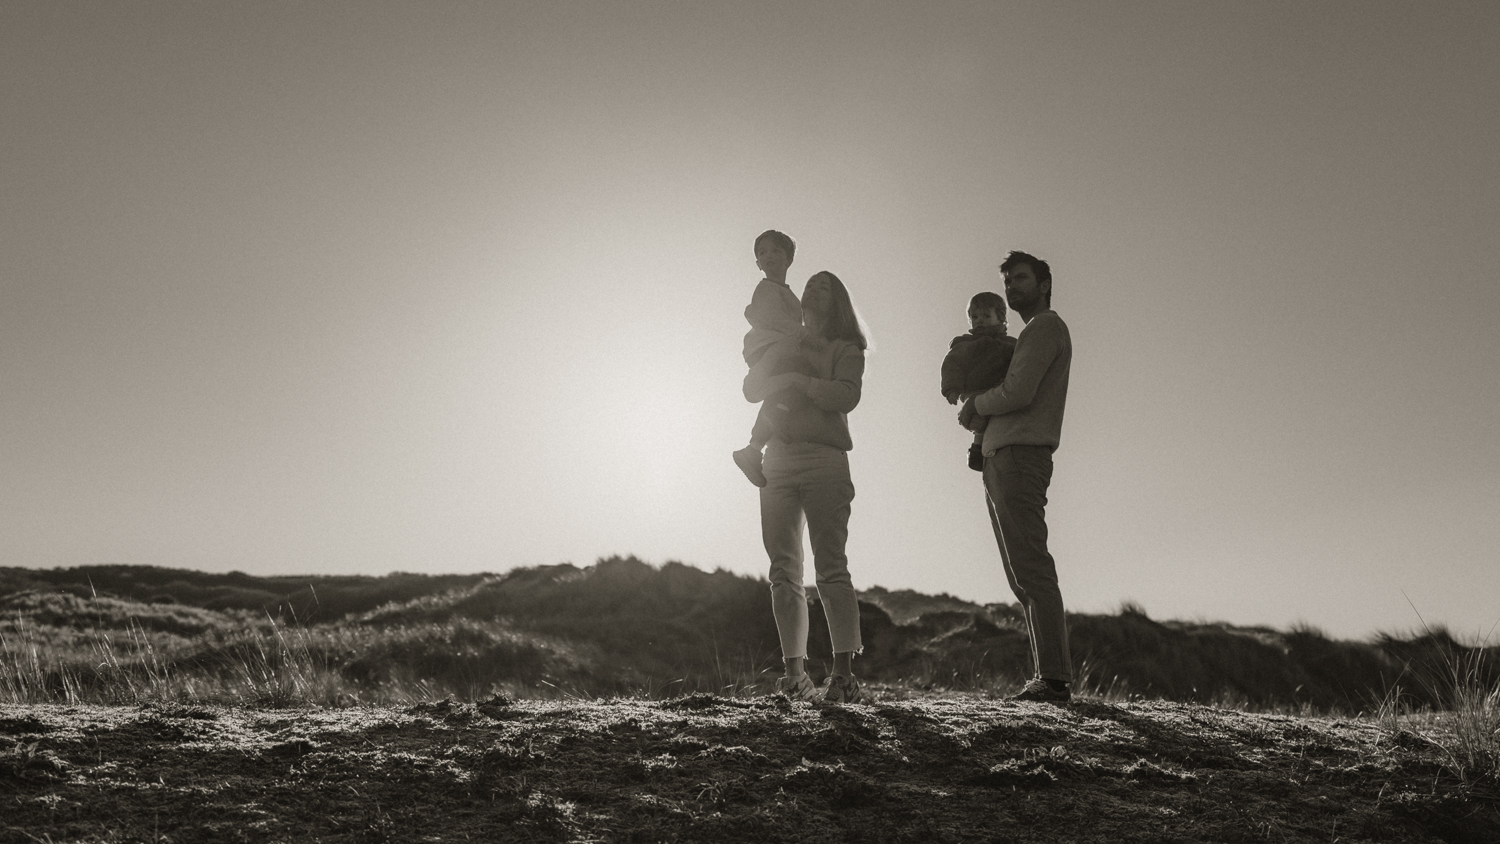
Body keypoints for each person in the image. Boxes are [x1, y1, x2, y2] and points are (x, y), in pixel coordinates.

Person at [744, 271, 868, 704]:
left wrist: (801, 383)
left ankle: (843, 676)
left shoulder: (846, 348)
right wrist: (776, 366)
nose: (813, 289)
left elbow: (846, 396)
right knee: (783, 570)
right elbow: (755, 392)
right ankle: (794, 677)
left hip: (824, 459)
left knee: (831, 567)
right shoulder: (785, 343)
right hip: (776, 458)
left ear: (838, 301)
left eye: (825, 286)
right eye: (810, 284)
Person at [958, 251, 1074, 703]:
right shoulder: (1029, 333)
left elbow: (1019, 391)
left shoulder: (1044, 327)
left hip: (1019, 455)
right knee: (1020, 572)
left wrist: (975, 406)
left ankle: (1054, 679)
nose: (1011, 286)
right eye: (1007, 280)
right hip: (1001, 455)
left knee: (1030, 566)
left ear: (1044, 284)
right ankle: (1047, 676)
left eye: (1021, 278)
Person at [732, 230, 804, 488]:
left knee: (783, 391)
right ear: (758, 264)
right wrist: (805, 335)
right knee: (791, 384)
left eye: (775, 250)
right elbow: (774, 319)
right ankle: (763, 436)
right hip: (767, 347)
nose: (768, 256)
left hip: (773, 346)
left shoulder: (788, 294)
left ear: (789, 258)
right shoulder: (766, 288)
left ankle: (754, 447)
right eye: (762, 253)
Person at [940, 291, 1016, 471]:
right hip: (974, 389)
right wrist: (952, 389)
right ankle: (976, 450)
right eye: (974, 317)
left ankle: (990, 448)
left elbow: (1021, 364)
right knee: (979, 418)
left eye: (986, 316)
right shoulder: (965, 344)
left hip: (1000, 389)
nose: (979, 320)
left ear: (1001, 318)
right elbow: (952, 366)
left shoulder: (1011, 344)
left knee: (998, 417)